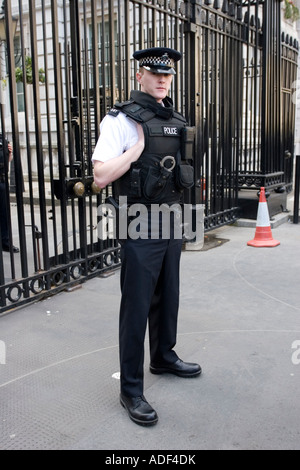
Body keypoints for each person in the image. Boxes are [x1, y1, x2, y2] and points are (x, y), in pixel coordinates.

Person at [92, 47, 201, 426]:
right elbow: (101, 176)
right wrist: (136, 149)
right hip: (138, 221)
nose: (161, 80)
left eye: (167, 75)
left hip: (172, 217)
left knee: (168, 294)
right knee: (136, 306)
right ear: (140, 75)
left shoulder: (174, 118)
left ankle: (163, 356)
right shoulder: (120, 121)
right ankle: (131, 389)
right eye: (155, 74)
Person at [0, 136, 19, 253]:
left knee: (4, 213)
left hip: (2, 180)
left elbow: (8, 160)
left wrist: (9, 153)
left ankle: (5, 242)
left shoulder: (2, 138)